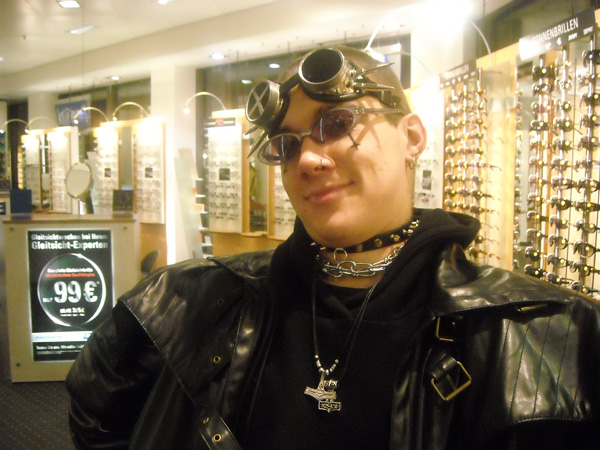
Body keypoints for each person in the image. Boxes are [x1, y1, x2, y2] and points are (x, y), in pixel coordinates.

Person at [66, 45, 600, 450]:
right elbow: (97, 410)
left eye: (337, 123)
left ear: (413, 138)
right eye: (287, 145)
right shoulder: (189, 301)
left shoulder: (539, 332)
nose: (307, 160)